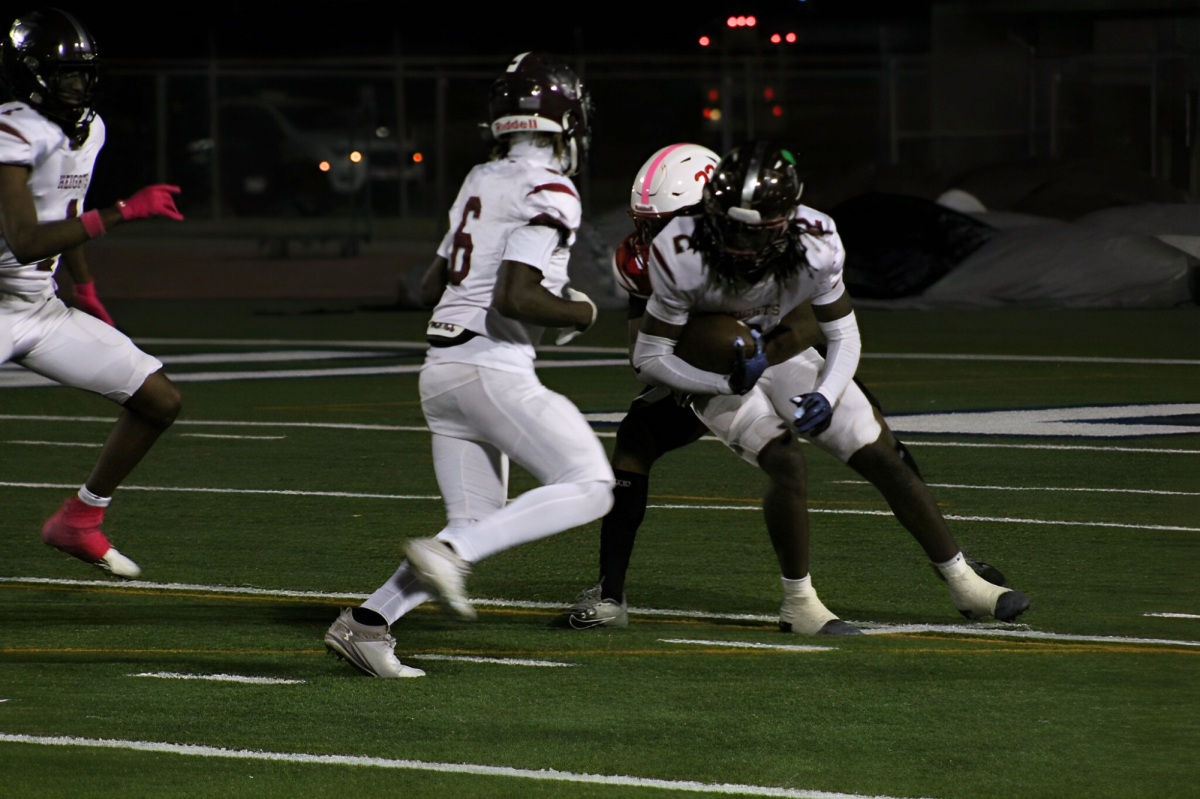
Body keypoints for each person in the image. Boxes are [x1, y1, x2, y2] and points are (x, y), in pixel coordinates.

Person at [583, 141, 1030, 636]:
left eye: (663, 221)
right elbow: (645, 354)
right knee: (650, 441)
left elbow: (814, 329)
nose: (651, 234)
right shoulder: (672, 255)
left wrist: (793, 374)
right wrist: (723, 372)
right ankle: (613, 593)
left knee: (874, 441)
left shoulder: (805, 238)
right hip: (704, 369)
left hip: (778, 352)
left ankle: (961, 575)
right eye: (648, 222)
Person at [324, 52, 615, 678]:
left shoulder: (480, 177)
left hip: (442, 370)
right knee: (591, 486)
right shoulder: (551, 187)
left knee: (478, 519)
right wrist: (581, 312)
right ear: (566, 120)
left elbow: (431, 284)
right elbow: (514, 295)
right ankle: (450, 553)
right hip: (491, 367)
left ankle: (366, 625)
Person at [0, 9, 184, 578]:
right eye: (66, 74)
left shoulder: (91, 128)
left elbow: (67, 213)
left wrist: (86, 286)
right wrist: (124, 212)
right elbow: (27, 239)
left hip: (38, 305)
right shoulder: (12, 128)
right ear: (30, 74)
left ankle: (79, 519)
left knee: (158, 400)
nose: (79, 84)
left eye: (84, 73)